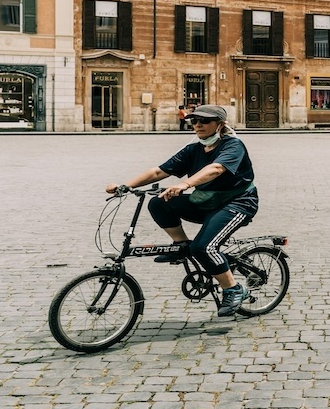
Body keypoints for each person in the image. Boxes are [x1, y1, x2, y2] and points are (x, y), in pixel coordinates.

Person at [105, 105, 257, 316]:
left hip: (237, 203)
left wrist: (185, 185)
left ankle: (233, 289)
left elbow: (216, 169)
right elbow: (159, 171)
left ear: (220, 125)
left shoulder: (232, 145)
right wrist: (126, 186)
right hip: (206, 201)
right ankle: (182, 244)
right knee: (159, 202)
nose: (198, 125)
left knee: (204, 247)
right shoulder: (193, 149)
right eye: (194, 121)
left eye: (204, 121)